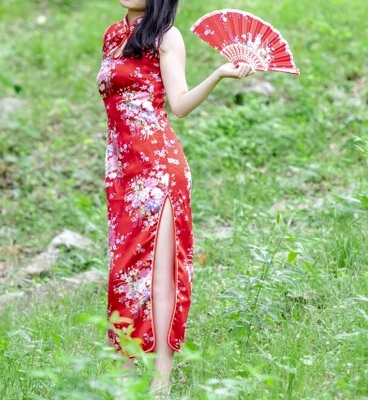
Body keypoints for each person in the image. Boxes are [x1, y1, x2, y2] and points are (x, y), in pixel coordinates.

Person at [97, 0, 255, 395]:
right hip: (122, 169)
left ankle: (160, 383)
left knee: (159, 273)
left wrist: (218, 74)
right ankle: (122, 373)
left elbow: (179, 103)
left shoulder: (166, 36)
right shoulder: (113, 35)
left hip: (158, 167)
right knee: (123, 272)